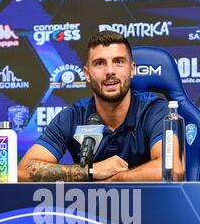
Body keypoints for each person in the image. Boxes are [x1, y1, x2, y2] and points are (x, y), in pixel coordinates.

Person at [18, 31, 184, 182]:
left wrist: (114, 180)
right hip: (90, 212)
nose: (110, 71)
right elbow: (23, 172)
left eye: (119, 62)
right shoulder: (74, 116)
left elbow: (172, 170)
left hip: (151, 210)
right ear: (87, 74)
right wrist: (91, 170)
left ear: (132, 69)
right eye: (99, 63)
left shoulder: (155, 110)